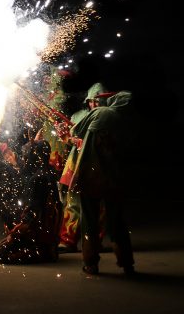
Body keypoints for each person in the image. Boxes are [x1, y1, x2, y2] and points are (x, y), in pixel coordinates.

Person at [67, 91, 136, 275]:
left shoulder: (101, 112)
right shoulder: (127, 121)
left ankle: (90, 263)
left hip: (91, 175)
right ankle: (127, 263)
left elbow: (75, 131)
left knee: (89, 220)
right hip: (114, 178)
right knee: (117, 221)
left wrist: (69, 133)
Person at [0, 140, 63, 264]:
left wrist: (14, 234)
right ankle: (46, 249)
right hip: (50, 232)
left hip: (39, 232)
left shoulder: (37, 178)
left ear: (33, 156)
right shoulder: (51, 171)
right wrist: (1, 146)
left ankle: (41, 253)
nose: (24, 158)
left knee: (2, 255)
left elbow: (32, 215)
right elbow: (22, 167)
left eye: (26, 155)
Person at [58, 82, 107, 253]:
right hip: (76, 164)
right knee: (72, 204)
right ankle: (68, 240)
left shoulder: (108, 117)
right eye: (92, 100)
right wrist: (66, 137)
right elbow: (69, 141)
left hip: (99, 166)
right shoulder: (78, 116)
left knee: (100, 207)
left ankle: (95, 241)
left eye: (98, 100)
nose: (94, 104)